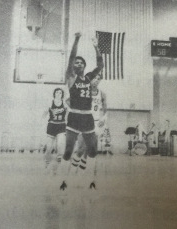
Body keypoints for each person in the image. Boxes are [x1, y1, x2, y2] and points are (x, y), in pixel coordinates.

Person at [60, 32, 104, 190]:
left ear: (84, 67)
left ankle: (92, 181)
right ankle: (64, 181)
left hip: (87, 118)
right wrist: (76, 40)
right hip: (73, 117)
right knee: (68, 150)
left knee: (92, 150)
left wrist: (96, 46)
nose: (78, 64)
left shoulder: (88, 78)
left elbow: (100, 66)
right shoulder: (71, 77)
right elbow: (71, 57)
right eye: (76, 63)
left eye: (81, 63)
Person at [42, 88, 67, 174]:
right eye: (57, 92)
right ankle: (47, 162)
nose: (58, 94)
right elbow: (45, 113)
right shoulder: (50, 102)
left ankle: (59, 161)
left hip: (61, 125)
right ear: (54, 94)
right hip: (52, 125)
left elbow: (69, 113)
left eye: (60, 92)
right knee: (49, 147)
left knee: (60, 144)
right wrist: (42, 117)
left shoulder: (65, 103)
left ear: (62, 94)